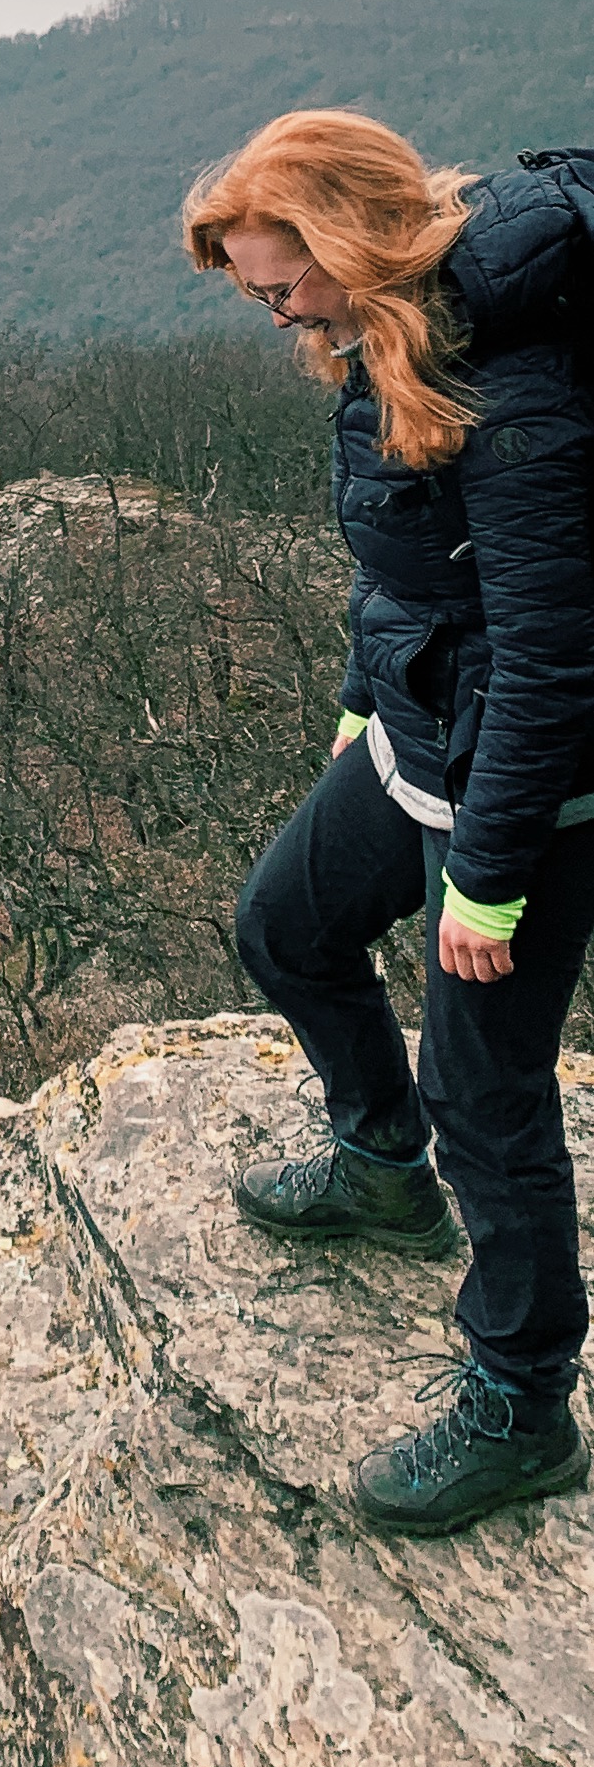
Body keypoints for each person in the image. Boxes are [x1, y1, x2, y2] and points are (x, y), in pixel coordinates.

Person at [184, 111, 594, 1535]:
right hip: (426, 727)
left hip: (526, 787)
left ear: (348, 242)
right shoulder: (381, 343)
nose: (272, 310)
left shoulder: (515, 390)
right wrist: (369, 693)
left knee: (487, 1098)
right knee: (285, 927)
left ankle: (521, 1405)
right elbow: (409, 563)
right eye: (252, 288)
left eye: (278, 281)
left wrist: (481, 881)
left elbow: (551, 655)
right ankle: (377, 1167)